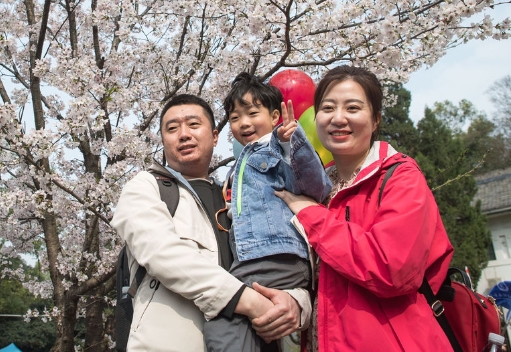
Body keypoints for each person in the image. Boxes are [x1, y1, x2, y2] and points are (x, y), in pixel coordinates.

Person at [254, 65, 454, 351]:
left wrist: (313, 216)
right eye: (327, 108)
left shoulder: (401, 177)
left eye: (353, 108)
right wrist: (296, 301)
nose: (338, 118)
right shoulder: (316, 188)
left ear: (376, 119)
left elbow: (391, 269)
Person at [111, 93, 303, 352]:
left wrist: (297, 302)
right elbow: (161, 253)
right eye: (172, 129)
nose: (183, 135)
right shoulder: (145, 187)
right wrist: (249, 302)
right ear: (163, 142)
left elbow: (288, 251)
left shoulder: (241, 196)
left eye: (193, 124)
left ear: (214, 137)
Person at [204, 73, 331, 352]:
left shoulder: (278, 149)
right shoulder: (240, 162)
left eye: (252, 113)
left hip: (274, 257)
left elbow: (317, 185)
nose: (244, 123)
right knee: (249, 330)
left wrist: (292, 143)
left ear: (275, 117)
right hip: (252, 259)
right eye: (235, 117)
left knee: (222, 322)